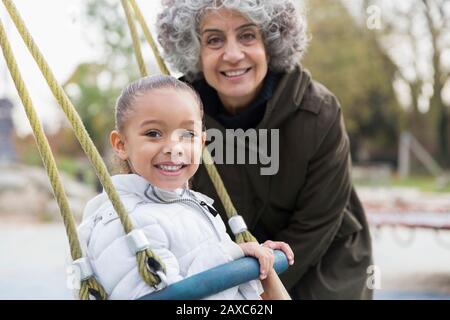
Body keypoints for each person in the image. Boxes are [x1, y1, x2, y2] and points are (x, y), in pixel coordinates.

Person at [156, 0, 373, 299]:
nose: (232, 55)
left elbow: (317, 223)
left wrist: (256, 288)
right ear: (195, 50)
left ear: (272, 42)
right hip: (224, 270)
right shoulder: (177, 117)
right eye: (214, 39)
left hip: (319, 267)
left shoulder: (318, 112)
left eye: (247, 36)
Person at [77, 75, 294, 300]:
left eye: (188, 134)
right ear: (121, 145)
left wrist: (257, 261)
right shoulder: (124, 224)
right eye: (153, 133)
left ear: (201, 142)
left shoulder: (192, 203)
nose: (174, 148)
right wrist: (235, 254)